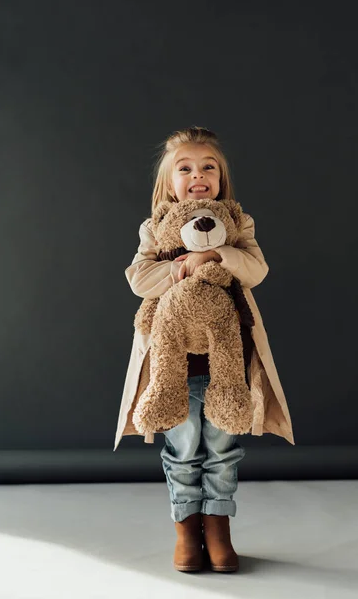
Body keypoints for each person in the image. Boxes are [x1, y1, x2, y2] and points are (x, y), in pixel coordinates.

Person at [114, 125, 295, 573]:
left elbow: (255, 269)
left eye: (208, 167)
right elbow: (139, 279)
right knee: (183, 447)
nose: (199, 174)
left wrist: (215, 257)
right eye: (186, 168)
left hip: (225, 366)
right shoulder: (155, 229)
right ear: (168, 183)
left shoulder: (237, 224)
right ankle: (185, 528)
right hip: (174, 367)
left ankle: (218, 527)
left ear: (220, 178)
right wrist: (181, 270)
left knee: (222, 446)